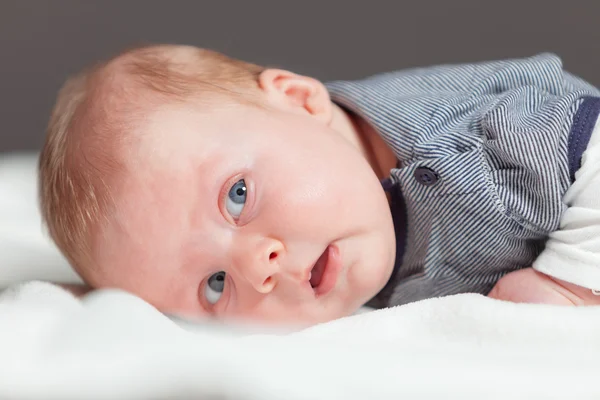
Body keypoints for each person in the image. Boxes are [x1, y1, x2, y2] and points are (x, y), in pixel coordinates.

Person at [39, 45, 600, 327]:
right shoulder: (344, 240)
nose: (258, 267)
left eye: (237, 195)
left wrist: (572, 283)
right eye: (215, 285)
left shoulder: (475, 148)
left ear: (302, 101)